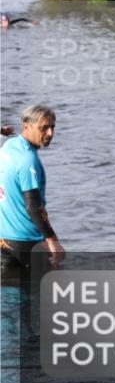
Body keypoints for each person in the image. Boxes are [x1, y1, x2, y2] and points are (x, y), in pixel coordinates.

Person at [0, 105, 65, 268]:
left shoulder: (8, 147)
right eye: (44, 128)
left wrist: (1, 130)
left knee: (11, 289)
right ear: (26, 126)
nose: (50, 134)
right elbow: (33, 206)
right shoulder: (28, 160)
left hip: (4, 241)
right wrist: (53, 241)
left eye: (52, 127)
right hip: (27, 242)